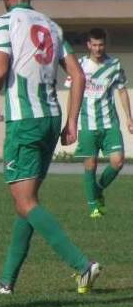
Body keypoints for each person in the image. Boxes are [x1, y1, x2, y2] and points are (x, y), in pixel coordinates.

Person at [0, 0, 101, 295]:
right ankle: (6, 282)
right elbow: (78, 76)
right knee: (27, 201)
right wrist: (72, 122)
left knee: (24, 201)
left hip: (25, 120)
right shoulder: (52, 26)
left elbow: (0, 68)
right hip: (50, 117)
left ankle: (82, 266)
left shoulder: (5, 22)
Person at [65, 28, 131, 218]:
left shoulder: (114, 65)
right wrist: (70, 121)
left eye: (101, 44)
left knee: (118, 161)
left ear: (105, 44)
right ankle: (94, 206)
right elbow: (71, 93)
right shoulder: (79, 66)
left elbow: (122, 91)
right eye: (94, 45)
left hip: (110, 123)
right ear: (88, 45)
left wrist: (129, 117)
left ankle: (98, 188)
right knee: (90, 164)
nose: (98, 48)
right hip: (87, 124)